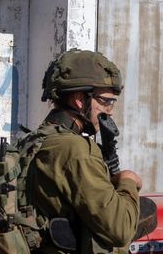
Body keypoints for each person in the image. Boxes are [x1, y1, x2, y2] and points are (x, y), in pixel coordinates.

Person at [28, 49, 143, 254]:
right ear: (80, 99)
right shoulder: (76, 150)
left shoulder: (36, 139)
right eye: (106, 101)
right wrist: (128, 182)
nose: (110, 111)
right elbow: (121, 229)